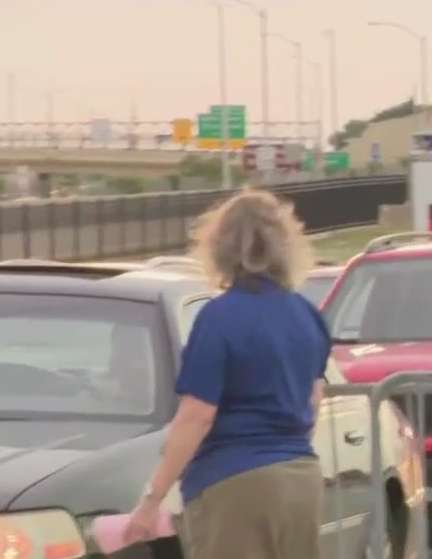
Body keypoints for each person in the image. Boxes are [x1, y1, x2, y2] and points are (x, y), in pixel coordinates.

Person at [122, 188, 330, 559]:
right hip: (301, 477)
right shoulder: (305, 313)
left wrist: (152, 499)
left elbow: (197, 416)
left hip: (235, 481)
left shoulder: (218, 318)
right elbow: (313, 403)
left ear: (219, 247)